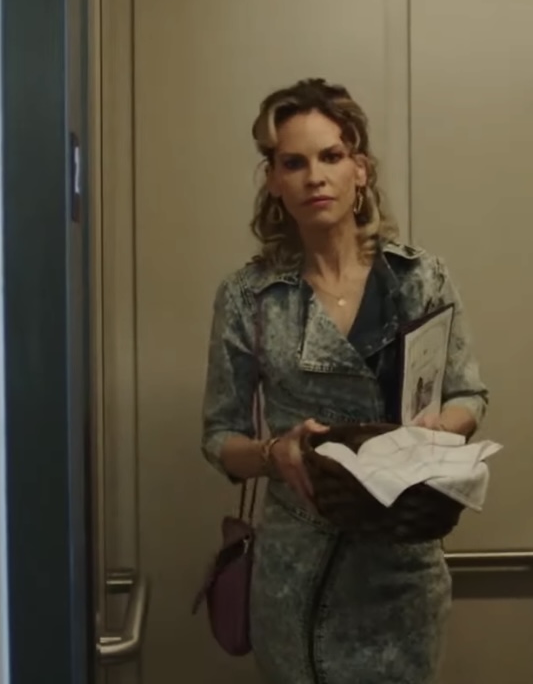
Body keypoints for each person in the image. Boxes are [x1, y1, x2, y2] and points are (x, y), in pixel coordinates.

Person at [199, 78, 489, 683]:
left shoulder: (421, 278)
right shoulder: (250, 297)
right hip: (297, 574)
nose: (315, 177)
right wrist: (275, 454)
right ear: (274, 181)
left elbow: (468, 394)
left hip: (402, 568)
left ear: (360, 169)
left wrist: (436, 430)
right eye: (294, 163)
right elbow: (220, 436)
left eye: (331, 156)